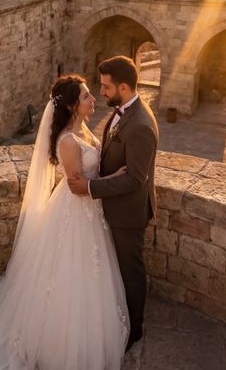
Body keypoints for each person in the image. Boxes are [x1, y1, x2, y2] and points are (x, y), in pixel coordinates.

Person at [0, 74, 129, 370]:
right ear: (71, 106)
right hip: (75, 213)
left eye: (91, 95)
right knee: (67, 276)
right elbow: (78, 187)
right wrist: (116, 179)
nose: (93, 100)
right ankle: (60, 342)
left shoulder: (84, 130)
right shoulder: (67, 142)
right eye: (86, 97)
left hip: (91, 216)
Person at [67, 56, 160, 351]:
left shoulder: (140, 125)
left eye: (106, 87)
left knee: (130, 270)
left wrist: (91, 187)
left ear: (123, 86)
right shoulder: (122, 112)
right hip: (114, 208)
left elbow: (135, 179)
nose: (101, 92)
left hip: (128, 213)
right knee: (118, 269)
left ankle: (134, 330)